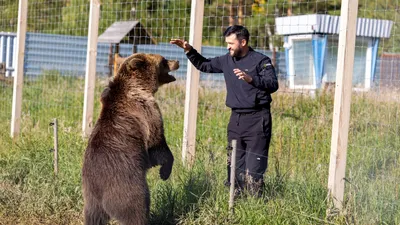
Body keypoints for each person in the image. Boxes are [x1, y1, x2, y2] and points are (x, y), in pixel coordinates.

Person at [170, 25, 278, 196]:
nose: (228, 47)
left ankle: (256, 207)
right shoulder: (227, 60)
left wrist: (252, 79)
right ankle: (234, 205)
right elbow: (204, 65)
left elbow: (273, 84)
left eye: (231, 43)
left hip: (257, 120)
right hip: (235, 120)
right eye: (227, 43)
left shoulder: (261, 61)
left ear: (243, 42)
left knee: (254, 169)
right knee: (234, 166)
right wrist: (189, 50)